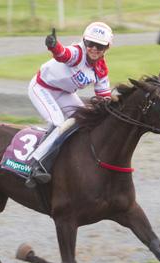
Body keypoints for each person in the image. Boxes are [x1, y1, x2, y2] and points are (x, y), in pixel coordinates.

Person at [25, 22, 113, 188]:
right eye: (90, 43)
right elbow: (63, 54)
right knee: (58, 122)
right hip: (42, 88)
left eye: (100, 46)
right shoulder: (77, 53)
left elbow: (104, 97)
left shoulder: (101, 69)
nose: (94, 48)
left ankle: (68, 157)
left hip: (65, 93)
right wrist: (53, 46)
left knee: (81, 119)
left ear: (107, 47)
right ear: (84, 42)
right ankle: (36, 164)